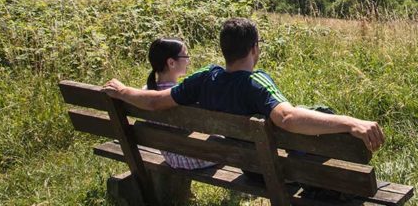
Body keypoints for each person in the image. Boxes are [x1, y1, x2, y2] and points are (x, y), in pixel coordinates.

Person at [102, 18, 384, 152]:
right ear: (254, 49)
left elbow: (153, 101)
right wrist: (349, 122)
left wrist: (122, 90)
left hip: (244, 164)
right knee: (322, 111)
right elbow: (286, 117)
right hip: (265, 168)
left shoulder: (203, 78)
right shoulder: (256, 82)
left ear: (224, 49)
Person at [144, 38, 215, 170]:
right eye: (186, 56)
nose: (188, 60)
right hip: (191, 158)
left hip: (170, 157)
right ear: (171, 63)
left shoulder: (145, 93)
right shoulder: (183, 96)